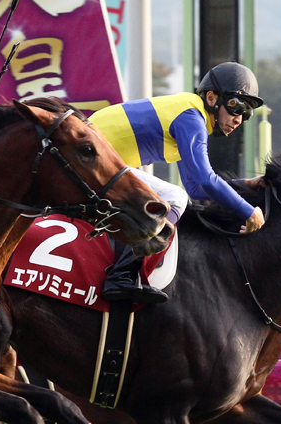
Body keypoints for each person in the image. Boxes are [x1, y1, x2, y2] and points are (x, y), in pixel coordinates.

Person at [88, 62, 265, 303]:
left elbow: (196, 188)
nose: (239, 119)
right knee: (174, 198)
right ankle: (122, 276)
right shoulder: (191, 118)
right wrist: (248, 210)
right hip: (93, 158)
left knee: (177, 195)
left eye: (247, 113)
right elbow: (205, 180)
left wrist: (245, 183)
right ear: (211, 98)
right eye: (237, 106)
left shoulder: (190, 115)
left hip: (99, 157)